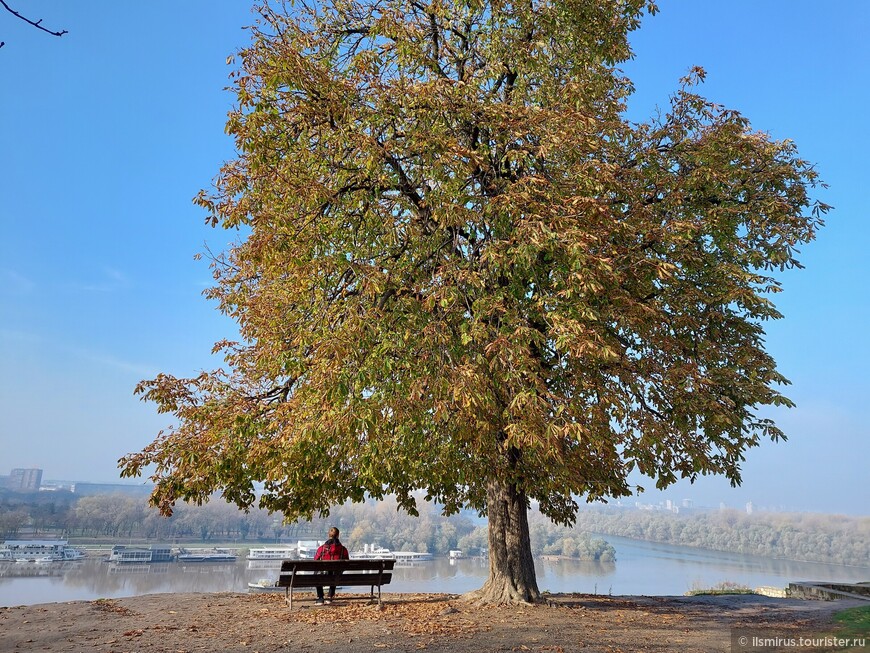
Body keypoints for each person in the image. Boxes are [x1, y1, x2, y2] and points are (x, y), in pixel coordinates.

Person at [313, 526, 349, 605]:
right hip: (336, 576)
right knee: (336, 572)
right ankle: (329, 597)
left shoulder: (321, 549)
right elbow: (347, 562)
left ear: (328, 535)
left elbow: (315, 560)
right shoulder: (343, 550)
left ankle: (320, 598)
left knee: (317, 574)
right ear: (338, 535)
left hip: (323, 575)